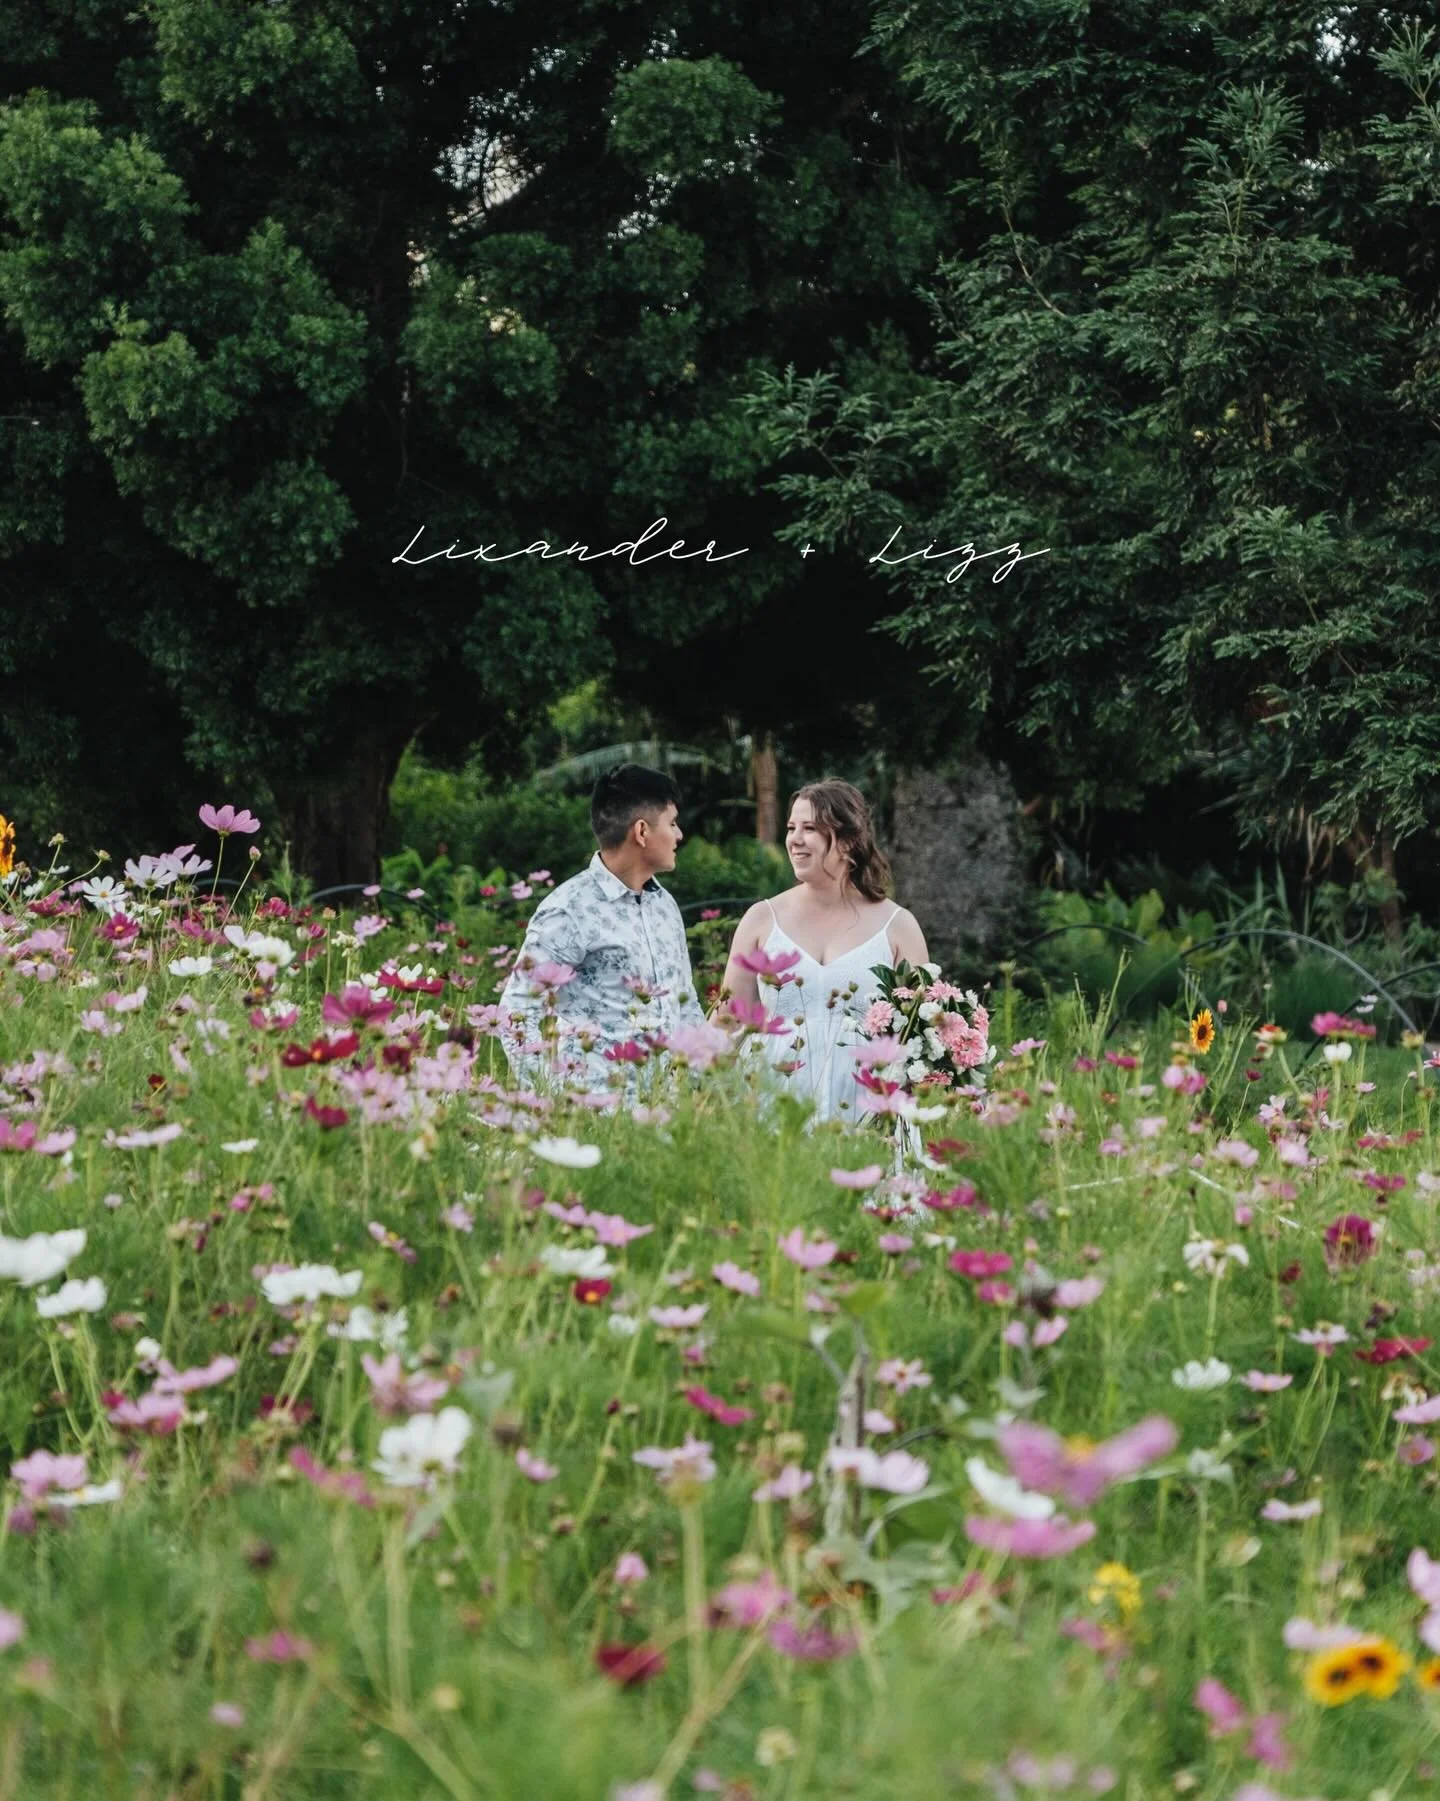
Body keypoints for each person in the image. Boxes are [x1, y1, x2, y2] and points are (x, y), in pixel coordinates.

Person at [720, 780, 928, 1125]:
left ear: (849, 840)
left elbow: (918, 1035)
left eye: (810, 828)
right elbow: (727, 1022)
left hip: (867, 1104)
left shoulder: (897, 926)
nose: (795, 839)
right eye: (791, 828)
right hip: (774, 1099)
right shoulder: (761, 919)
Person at [499, 764, 704, 1090]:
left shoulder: (665, 907)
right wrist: (551, 1098)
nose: (679, 835)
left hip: (668, 1114)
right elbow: (518, 1011)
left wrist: (703, 1088)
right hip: (596, 1112)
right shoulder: (569, 910)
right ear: (641, 831)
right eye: (672, 823)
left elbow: (686, 1004)